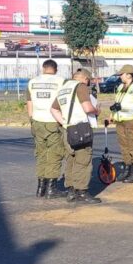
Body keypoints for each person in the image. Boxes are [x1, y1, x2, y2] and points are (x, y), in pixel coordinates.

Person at [50, 68, 101, 204]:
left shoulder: (63, 88)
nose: (88, 83)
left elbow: (53, 109)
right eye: (88, 81)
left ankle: (71, 191)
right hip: (81, 128)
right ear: (85, 79)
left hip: (67, 129)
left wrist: (65, 123)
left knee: (70, 159)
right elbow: (87, 108)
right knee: (83, 160)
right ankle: (82, 192)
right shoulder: (81, 87)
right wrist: (96, 110)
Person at [26, 59, 66, 199]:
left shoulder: (32, 82)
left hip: (37, 121)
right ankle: (51, 188)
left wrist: (31, 119)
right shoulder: (61, 82)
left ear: (43, 68)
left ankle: (40, 187)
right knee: (54, 155)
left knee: (41, 154)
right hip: (53, 121)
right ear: (56, 69)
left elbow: (29, 102)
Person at [110, 65, 133, 183]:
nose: (120, 76)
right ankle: (127, 168)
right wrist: (111, 115)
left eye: (122, 74)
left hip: (131, 120)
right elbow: (117, 103)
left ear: (129, 75)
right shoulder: (121, 86)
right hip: (120, 120)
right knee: (124, 145)